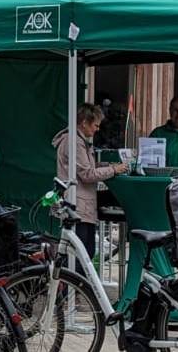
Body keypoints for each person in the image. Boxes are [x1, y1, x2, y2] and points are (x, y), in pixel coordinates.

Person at [53, 103, 128, 257]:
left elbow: (86, 166)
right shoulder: (74, 142)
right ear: (85, 122)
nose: (97, 129)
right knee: (81, 255)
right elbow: (87, 174)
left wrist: (106, 165)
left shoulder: (79, 141)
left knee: (86, 253)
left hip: (82, 206)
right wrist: (114, 169)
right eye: (96, 125)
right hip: (78, 206)